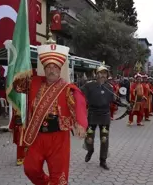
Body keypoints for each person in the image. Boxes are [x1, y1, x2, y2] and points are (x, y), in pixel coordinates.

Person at [13, 36, 87, 184]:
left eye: (55, 67)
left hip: (58, 137)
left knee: (59, 176)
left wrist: (80, 123)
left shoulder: (67, 88)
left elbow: (78, 102)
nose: (51, 70)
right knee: (30, 169)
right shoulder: (34, 82)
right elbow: (17, 86)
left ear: (60, 70)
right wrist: (19, 58)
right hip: (37, 134)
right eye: (48, 67)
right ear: (44, 69)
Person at [81, 64, 115, 170]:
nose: (102, 75)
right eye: (100, 73)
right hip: (92, 114)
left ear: (107, 75)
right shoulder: (89, 85)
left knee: (104, 139)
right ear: (96, 74)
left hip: (104, 116)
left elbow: (114, 100)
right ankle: (90, 150)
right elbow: (79, 94)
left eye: (105, 73)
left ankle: (103, 160)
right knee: (89, 137)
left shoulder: (109, 87)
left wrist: (127, 105)